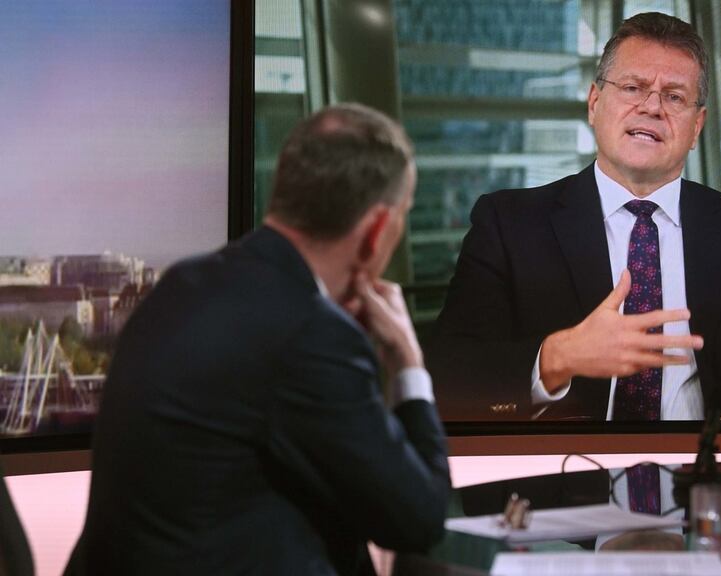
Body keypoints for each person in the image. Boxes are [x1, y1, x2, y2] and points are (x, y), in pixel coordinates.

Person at [67, 104, 450, 575]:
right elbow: (419, 521)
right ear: (374, 231)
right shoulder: (309, 333)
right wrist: (408, 364)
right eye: (402, 217)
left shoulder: (183, 283)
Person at [429, 12, 721, 422]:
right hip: (565, 481)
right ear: (595, 103)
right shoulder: (508, 225)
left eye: (674, 96)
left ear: (697, 127)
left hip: (712, 479)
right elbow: (448, 383)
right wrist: (556, 357)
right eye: (633, 87)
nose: (652, 107)